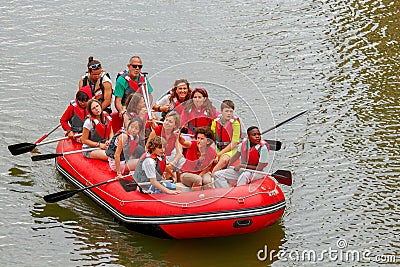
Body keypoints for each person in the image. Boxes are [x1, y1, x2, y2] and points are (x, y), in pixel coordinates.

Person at [146, 111, 185, 182]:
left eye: (170, 122)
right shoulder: (157, 130)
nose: (166, 123)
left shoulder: (176, 133)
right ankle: (168, 179)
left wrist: (173, 163)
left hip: (168, 157)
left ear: (175, 125)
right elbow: (147, 148)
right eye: (166, 120)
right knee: (166, 166)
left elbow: (179, 152)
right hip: (157, 156)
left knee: (181, 160)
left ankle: (179, 182)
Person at [211, 100, 242, 175]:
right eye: (226, 111)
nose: (229, 113)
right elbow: (211, 139)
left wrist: (218, 154)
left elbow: (234, 143)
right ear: (221, 111)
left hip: (232, 149)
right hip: (218, 147)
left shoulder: (235, 123)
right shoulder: (215, 122)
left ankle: (212, 175)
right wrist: (213, 152)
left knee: (224, 159)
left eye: (231, 111)